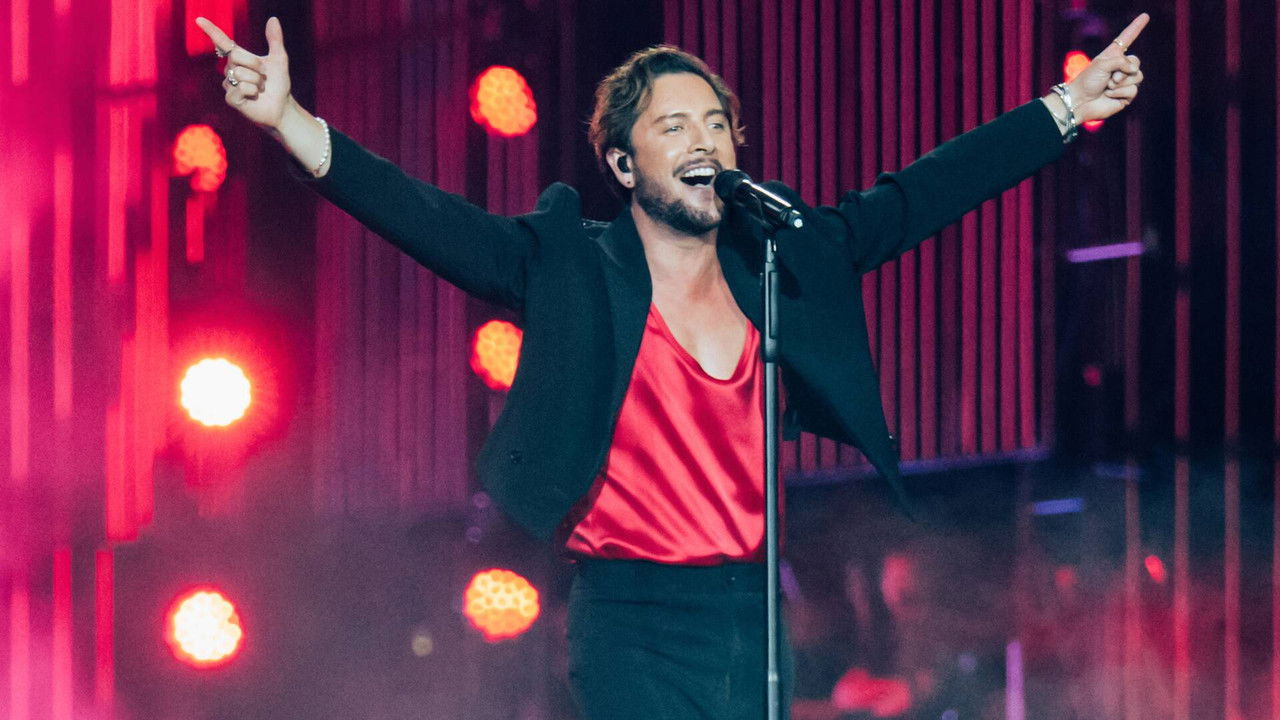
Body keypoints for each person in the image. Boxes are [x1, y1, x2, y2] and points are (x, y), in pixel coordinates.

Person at [196, 13, 1147, 720]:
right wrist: (289, 121)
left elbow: (919, 196)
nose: (704, 141)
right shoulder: (568, 262)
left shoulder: (778, 256)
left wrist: (1066, 108)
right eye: (674, 127)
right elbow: (423, 214)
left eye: (717, 124)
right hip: (630, 613)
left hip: (751, 607)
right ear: (623, 162)